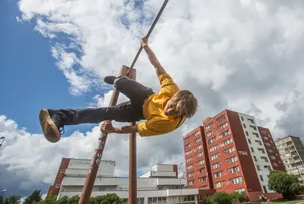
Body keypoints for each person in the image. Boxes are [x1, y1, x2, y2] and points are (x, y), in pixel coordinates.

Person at [39, 37, 198, 143]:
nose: (169, 111)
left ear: (181, 115)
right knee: (122, 83)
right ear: (172, 97)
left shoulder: (166, 124)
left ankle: (58, 116)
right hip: (146, 96)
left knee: (103, 113)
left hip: (138, 113)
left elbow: (135, 128)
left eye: (175, 113)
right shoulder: (171, 89)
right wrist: (146, 47)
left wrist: (112, 130)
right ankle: (116, 80)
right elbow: (157, 66)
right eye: (170, 106)